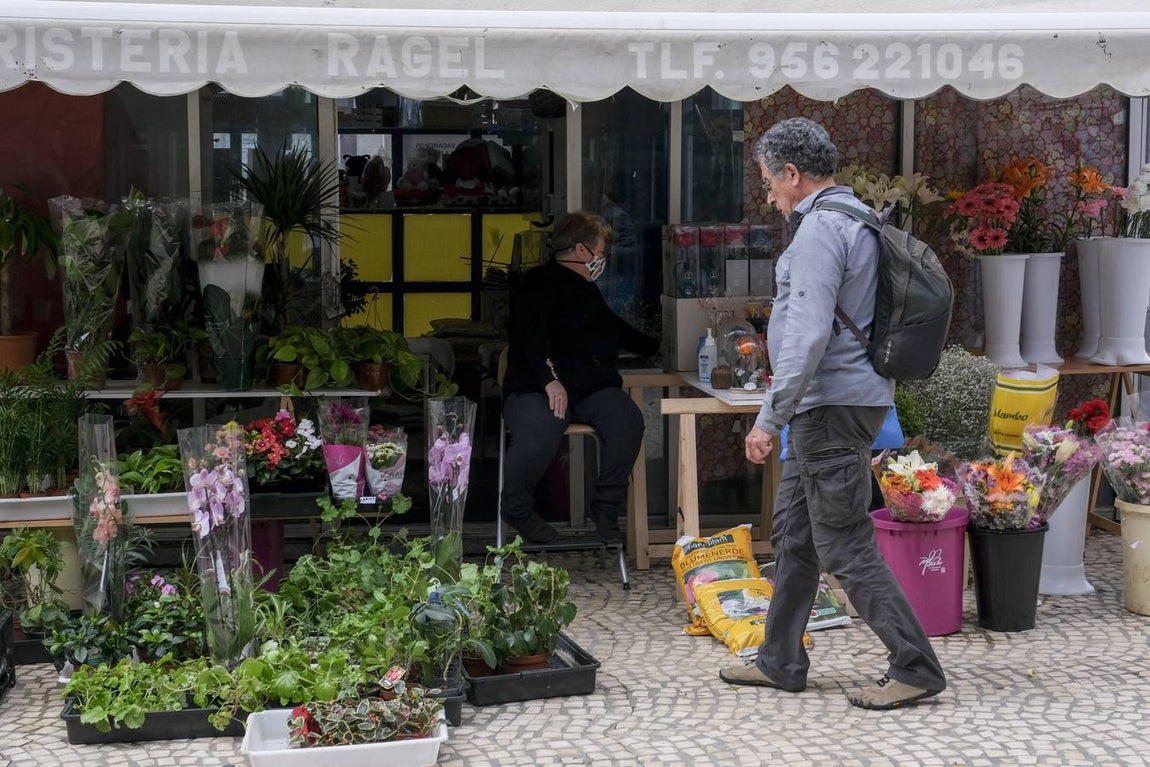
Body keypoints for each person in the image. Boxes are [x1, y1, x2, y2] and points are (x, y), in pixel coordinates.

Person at [718, 118, 947, 710]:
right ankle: (780, 659)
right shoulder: (859, 217)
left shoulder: (820, 229)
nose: (769, 193)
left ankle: (916, 666)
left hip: (831, 409)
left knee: (844, 543)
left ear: (793, 174)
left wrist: (769, 417)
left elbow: (808, 334)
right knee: (795, 536)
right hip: (839, 403)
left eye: (770, 180)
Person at [500, 210, 658, 545]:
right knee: (545, 424)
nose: (603, 258)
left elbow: (614, 328)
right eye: (600, 251)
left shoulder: (587, 291)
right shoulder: (539, 282)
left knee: (627, 419)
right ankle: (516, 507)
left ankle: (606, 507)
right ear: (581, 250)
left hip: (588, 388)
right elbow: (530, 335)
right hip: (536, 387)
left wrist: (658, 347)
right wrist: (549, 379)